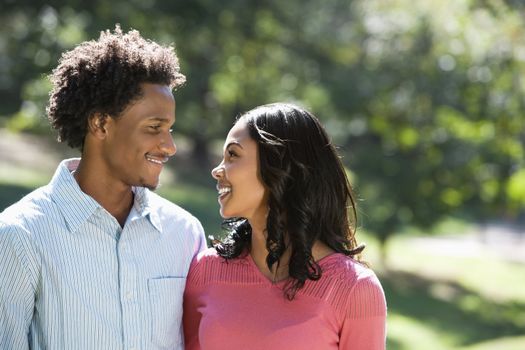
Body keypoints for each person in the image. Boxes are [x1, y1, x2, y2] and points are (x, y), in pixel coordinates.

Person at [0, 26, 206, 350]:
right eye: (154, 128)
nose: (169, 146)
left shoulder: (185, 234)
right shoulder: (20, 235)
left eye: (170, 130)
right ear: (100, 124)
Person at [183, 103, 387, 349]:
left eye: (233, 155)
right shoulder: (205, 271)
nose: (217, 170)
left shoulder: (354, 289)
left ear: (280, 167)